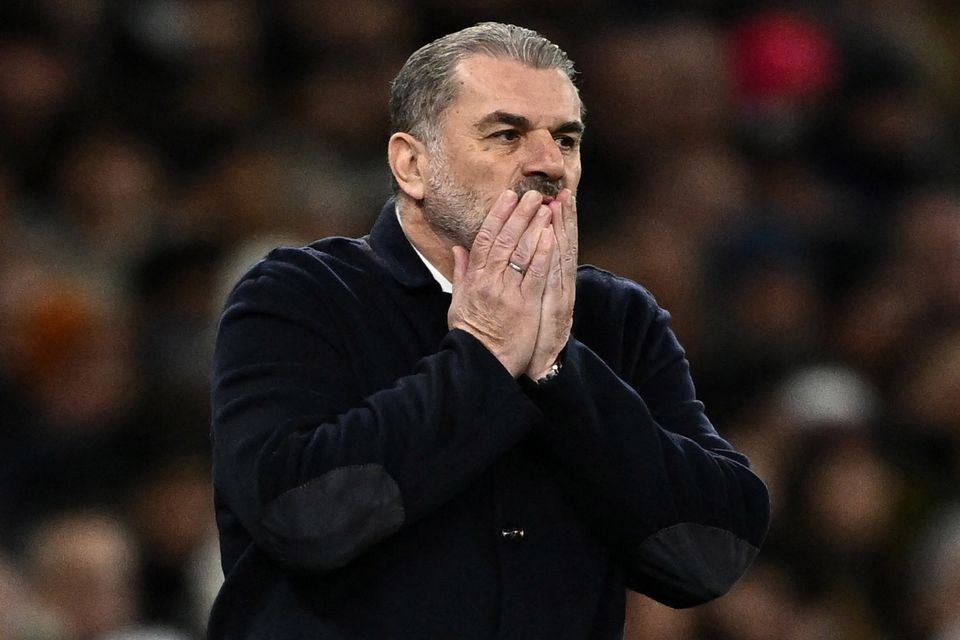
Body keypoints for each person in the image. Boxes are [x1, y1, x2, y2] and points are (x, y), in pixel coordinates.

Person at [208, 21, 770, 639]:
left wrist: (561, 371)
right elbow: (304, 518)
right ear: (413, 165)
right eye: (507, 135)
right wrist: (482, 356)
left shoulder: (617, 319)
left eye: (566, 139)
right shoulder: (299, 295)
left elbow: (709, 554)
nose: (549, 165)